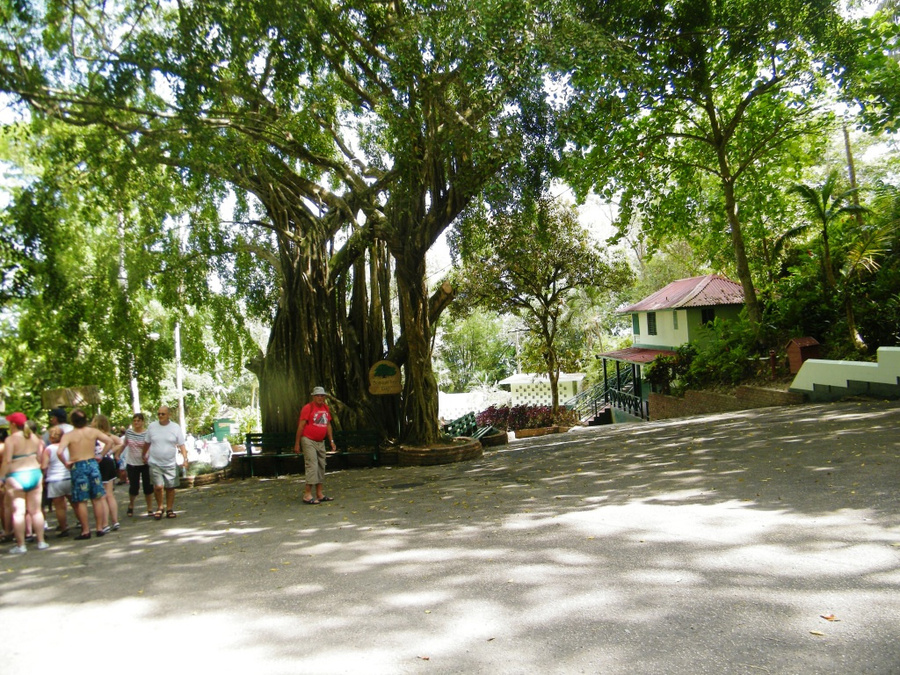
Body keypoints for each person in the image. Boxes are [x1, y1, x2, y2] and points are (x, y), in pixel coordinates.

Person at [57, 408, 112, 540]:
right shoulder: (93, 432)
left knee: (81, 500)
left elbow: (59, 452)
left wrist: (66, 463)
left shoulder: (69, 435)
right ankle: (99, 528)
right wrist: (101, 455)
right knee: (97, 498)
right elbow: (109, 441)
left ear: (72, 421)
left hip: (78, 465)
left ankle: (86, 530)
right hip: (92, 463)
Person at [1, 412, 48, 553]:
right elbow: (40, 457)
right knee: (36, 511)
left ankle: (21, 545)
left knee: (19, 512)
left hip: (16, 475)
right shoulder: (34, 437)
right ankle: (41, 541)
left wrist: (1, 478)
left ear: (13, 424)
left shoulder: (11, 440)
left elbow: (7, 461)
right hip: (34, 473)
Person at [142, 405, 188, 520]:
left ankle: (169, 509)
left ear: (169, 415)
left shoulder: (175, 427)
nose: (160, 416)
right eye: (159, 414)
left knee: (170, 487)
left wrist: (185, 459)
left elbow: (182, 444)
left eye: (163, 414)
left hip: (170, 463)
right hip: (155, 463)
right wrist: (143, 454)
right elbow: (147, 443)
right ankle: (159, 507)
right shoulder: (152, 427)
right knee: (158, 486)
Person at [292, 386, 336, 505]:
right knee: (312, 464)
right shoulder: (308, 408)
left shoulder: (326, 408)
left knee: (322, 465)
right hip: (308, 440)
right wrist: (297, 443)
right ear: (313, 396)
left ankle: (319, 493)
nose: (320, 398)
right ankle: (307, 494)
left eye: (322, 396)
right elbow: (301, 426)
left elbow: (328, 425)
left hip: (320, 441)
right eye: (318, 395)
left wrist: (331, 441)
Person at [91, 414, 120, 531]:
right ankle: (115, 521)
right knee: (110, 494)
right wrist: (110, 452)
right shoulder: (109, 436)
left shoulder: (94, 435)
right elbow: (120, 442)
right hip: (109, 462)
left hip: (99, 462)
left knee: (102, 496)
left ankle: (105, 523)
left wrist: (100, 455)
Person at [121, 413, 153, 517]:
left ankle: (149, 508)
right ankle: (131, 505)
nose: (136, 422)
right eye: (134, 420)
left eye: (138, 420)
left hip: (145, 463)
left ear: (143, 422)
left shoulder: (147, 433)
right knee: (134, 487)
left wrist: (149, 457)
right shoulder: (129, 432)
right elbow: (124, 444)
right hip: (132, 463)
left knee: (148, 487)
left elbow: (151, 446)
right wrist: (117, 454)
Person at [44, 426, 74, 537]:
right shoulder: (67, 447)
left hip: (54, 480)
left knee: (59, 507)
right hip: (69, 477)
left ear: (50, 438)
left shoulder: (48, 449)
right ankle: (82, 523)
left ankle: (64, 528)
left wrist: (43, 477)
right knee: (75, 504)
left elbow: (44, 465)